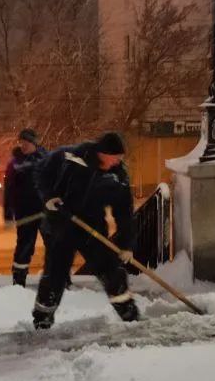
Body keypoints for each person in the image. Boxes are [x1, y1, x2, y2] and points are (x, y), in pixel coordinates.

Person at [32, 131, 139, 330]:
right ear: (103, 152)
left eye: (120, 158)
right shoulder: (71, 156)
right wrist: (49, 197)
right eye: (115, 157)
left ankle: (129, 314)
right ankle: (42, 319)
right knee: (55, 274)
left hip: (92, 228)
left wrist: (126, 245)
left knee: (111, 269)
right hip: (62, 223)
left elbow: (125, 214)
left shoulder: (117, 177)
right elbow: (42, 171)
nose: (117, 162)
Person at [3, 128, 47, 286]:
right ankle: (19, 280)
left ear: (35, 143)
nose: (23, 145)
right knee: (25, 247)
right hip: (25, 213)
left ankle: (57, 279)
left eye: (27, 142)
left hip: (46, 212)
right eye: (21, 142)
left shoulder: (46, 160)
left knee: (55, 245)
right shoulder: (15, 164)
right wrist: (8, 215)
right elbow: (8, 190)